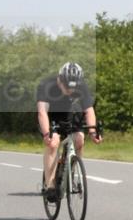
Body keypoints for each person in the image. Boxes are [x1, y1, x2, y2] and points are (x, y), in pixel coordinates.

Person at [37, 62, 102, 202]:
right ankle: (50, 185)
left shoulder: (81, 86)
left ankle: (71, 172)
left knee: (79, 140)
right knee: (53, 143)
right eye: (66, 86)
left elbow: (89, 110)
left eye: (73, 87)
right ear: (59, 79)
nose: (70, 90)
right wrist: (47, 134)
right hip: (51, 117)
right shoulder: (46, 85)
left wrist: (92, 131)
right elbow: (42, 112)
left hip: (71, 115)